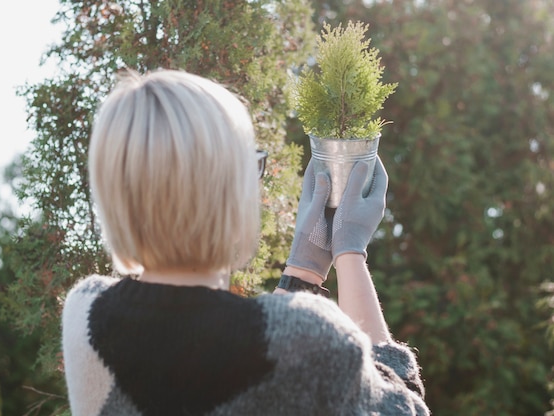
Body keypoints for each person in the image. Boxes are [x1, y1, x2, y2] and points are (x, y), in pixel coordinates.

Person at [61, 68, 430, 416]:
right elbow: (401, 404)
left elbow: (240, 352)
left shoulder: (86, 317)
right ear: (227, 191)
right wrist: (350, 253)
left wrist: (303, 271)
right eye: (251, 165)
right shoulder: (313, 337)